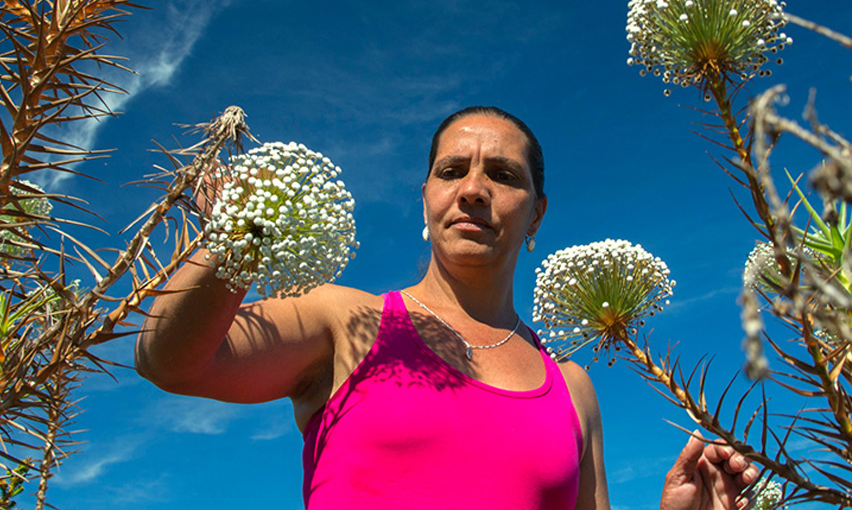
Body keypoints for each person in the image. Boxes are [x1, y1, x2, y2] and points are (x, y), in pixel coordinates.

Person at [135, 106, 759, 509]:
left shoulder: (573, 388)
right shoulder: (344, 321)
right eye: (452, 170)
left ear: (537, 213)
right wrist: (241, 235)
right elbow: (171, 361)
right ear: (426, 198)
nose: (474, 190)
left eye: (505, 176)